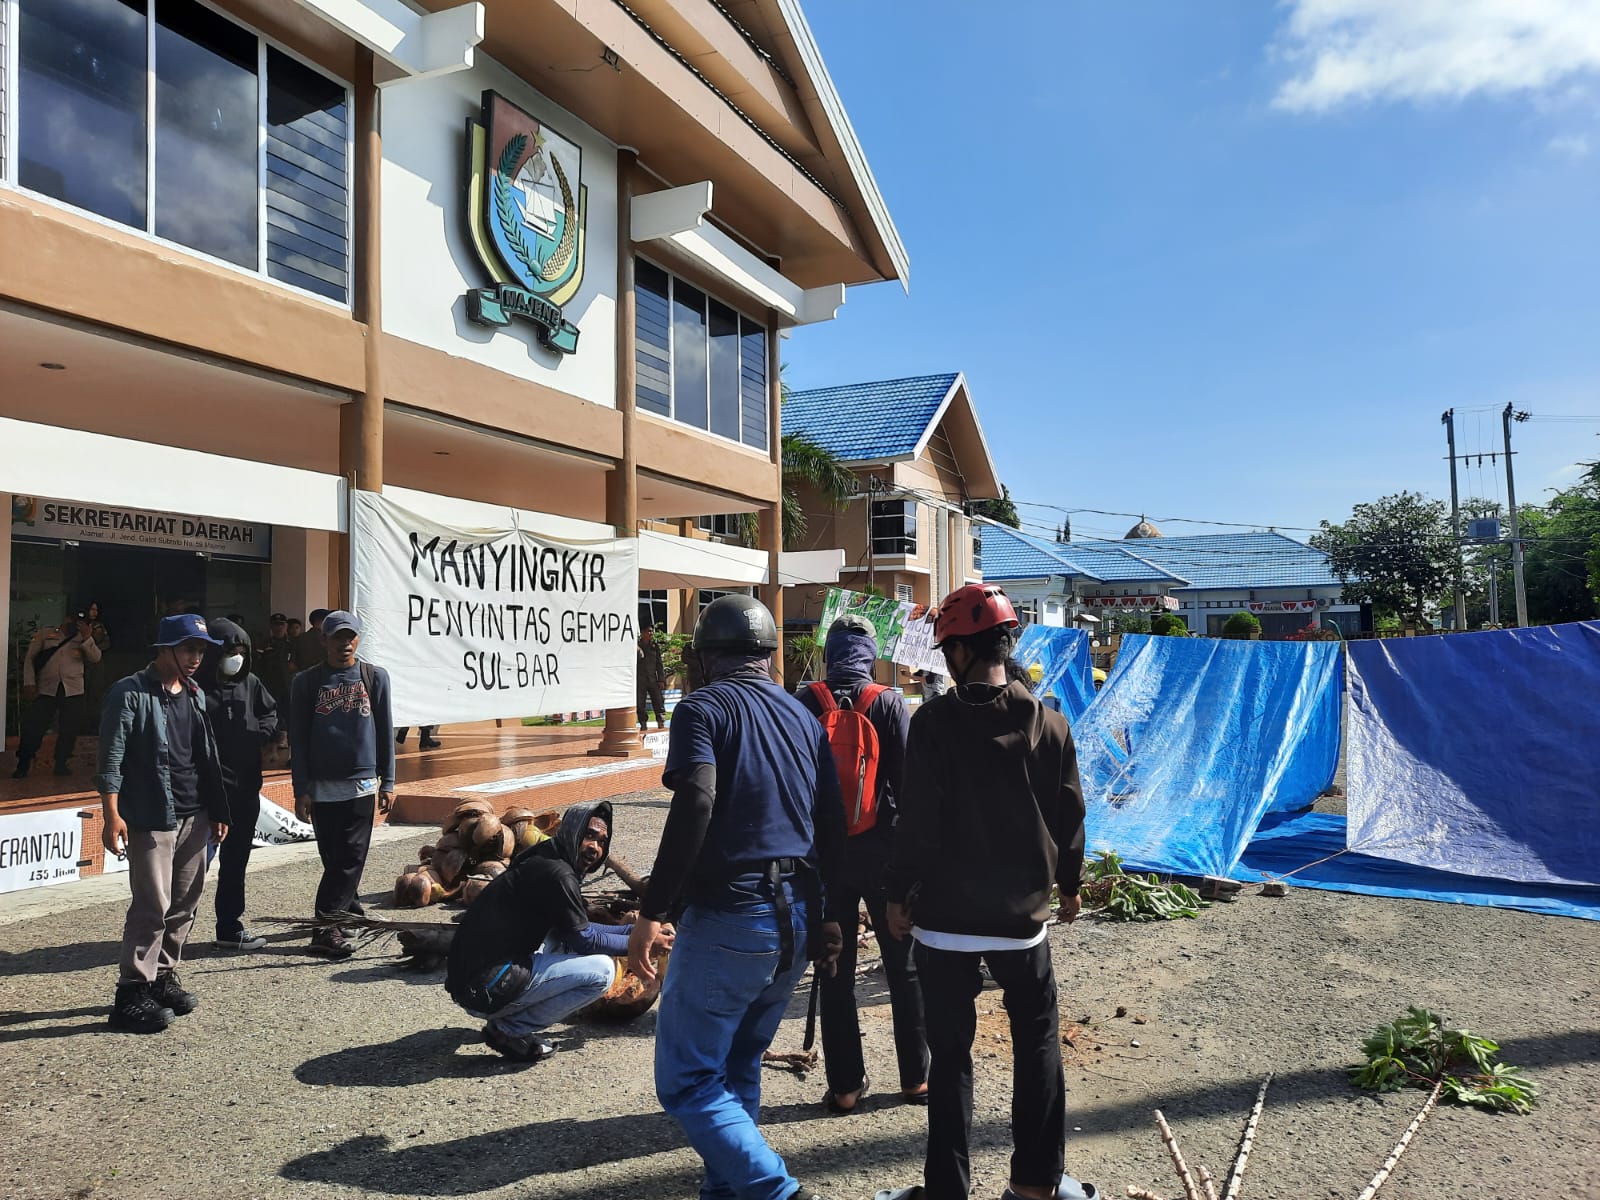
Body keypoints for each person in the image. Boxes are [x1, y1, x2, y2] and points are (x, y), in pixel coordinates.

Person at [876, 584, 1094, 1200]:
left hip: (944, 922)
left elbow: (916, 821)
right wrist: (1070, 886)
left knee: (950, 1057)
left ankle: (947, 1191)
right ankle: (1035, 1186)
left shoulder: (934, 725)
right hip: (1022, 921)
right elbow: (1069, 815)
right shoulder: (1051, 725)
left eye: (948, 649)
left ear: (964, 652)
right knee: (1038, 1042)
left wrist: (897, 893)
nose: (945, 660)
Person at [627, 594, 846, 1200]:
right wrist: (831, 916)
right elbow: (832, 819)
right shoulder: (803, 716)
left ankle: (776, 1191)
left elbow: (696, 799)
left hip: (734, 916)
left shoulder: (702, 709)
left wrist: (653, 912)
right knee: (738, 1064)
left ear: (705, 658)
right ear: (768, 655)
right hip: (798, 913)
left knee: (688, 1079)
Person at [798, 615, 927, 1114]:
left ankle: (847, 1086)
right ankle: (916, 1079)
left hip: (826, 857)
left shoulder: (806, 701)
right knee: (904, 967)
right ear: (870, 654)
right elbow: (911, 791)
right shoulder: (890, 702)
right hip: (885, 852)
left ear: (831, 654)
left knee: (835, 968)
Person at [96, 614, 230, 1033]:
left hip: (196, 813)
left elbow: (205, 756)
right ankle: (131, 992)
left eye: (201, 650)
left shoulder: (194, 693)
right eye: (188, 648)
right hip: (153, 815)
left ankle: (163, 977)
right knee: (151, 906)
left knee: (185, 904)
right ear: (164, 648)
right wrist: (111, 814)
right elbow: (111, 757)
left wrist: (219, 810)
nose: (196, 657)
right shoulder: (129, 693)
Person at [447, 802, 646, 1062]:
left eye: (601, 841)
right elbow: (584, 940)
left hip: (470, 980)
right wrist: (640, 943)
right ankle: (509, 1030)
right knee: (603, 972)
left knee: (561, 937)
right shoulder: (558, 875)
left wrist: (635, 930)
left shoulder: (544, 854)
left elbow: (574, 929)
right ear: (572, 831)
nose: (595, 848)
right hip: (486, 988)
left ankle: (510, 1013)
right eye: (589, 836)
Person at [289, 610, 395, 959]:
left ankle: (325, 927)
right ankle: (348, 913)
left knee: (350, 857)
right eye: (336, 637)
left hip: (361, 784)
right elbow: (299, 740)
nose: (344, 644)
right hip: (321, 786)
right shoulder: (306, 682)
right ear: (324, 640)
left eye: (350, 637)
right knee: (334, 859)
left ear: (358, 639)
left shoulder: (374, 677)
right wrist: (300, 788)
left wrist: (389, 781)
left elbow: (385, 731)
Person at [198, 618, 279, 952]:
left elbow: (271, 714)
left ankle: (229, 927)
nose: (236, 657)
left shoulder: (252, 683)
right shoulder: (196, 687)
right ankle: (170, 932)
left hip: (245, 789)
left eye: (242, 652)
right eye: (230, 651)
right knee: (192, 867)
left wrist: (261, 733)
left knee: (235, 864)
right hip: (204, 794)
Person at [14, 606, 103, 778]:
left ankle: (62, 763)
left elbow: (96, 658)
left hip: (73, 689)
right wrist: (29, 683)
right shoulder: (46, 633)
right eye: (71, 619)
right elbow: (30, 659)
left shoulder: (83, 638)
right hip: (47, 688)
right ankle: (23, 762)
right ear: (65, 618)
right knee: (35, 725)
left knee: (69, 728)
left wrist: (86, 637)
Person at [256, 613, 296, 749]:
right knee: (272, 714)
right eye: (275, 625)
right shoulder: (264, 644)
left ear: (286, 626)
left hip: (289, 686)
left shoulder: (293, 644)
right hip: (270, 687)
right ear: (271, 627)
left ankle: (290, 744)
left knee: (291, 715)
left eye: (282, 625)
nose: (279, 628)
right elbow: (257, 665)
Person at [637, 626, 667, 731]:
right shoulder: (636, 646)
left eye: (652, 631)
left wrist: (661, 679)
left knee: (658, 702)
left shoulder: (655, 646)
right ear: (642, 632)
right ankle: (643, 723)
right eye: (649, 631)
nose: (651, 633)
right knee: (640, 704)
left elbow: (659, 664)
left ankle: (661, 722)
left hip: (653, 679)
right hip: (640, 680)